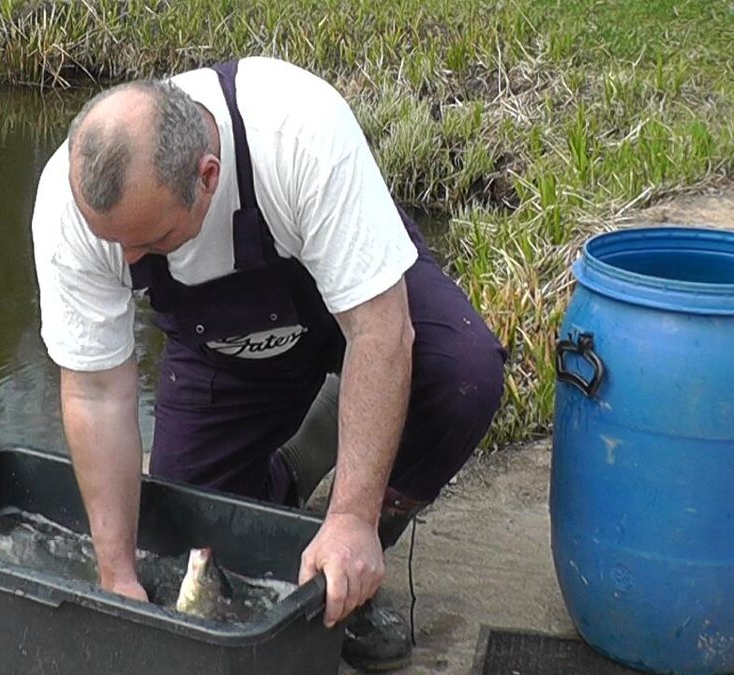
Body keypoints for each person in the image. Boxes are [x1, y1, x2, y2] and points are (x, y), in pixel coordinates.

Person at [30, 56, 505, 671]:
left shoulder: (300, 133)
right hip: (226, 349)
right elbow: (96, 392)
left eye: (150, 243)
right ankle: (308, 452)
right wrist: (116, 576)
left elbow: (380, 332)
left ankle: (353, 568)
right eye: (116, 242)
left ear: (207, 175)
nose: (127, 261)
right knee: (190, 536)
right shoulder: (69, 209)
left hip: (352, 314)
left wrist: (354, 519)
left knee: (462, 375)